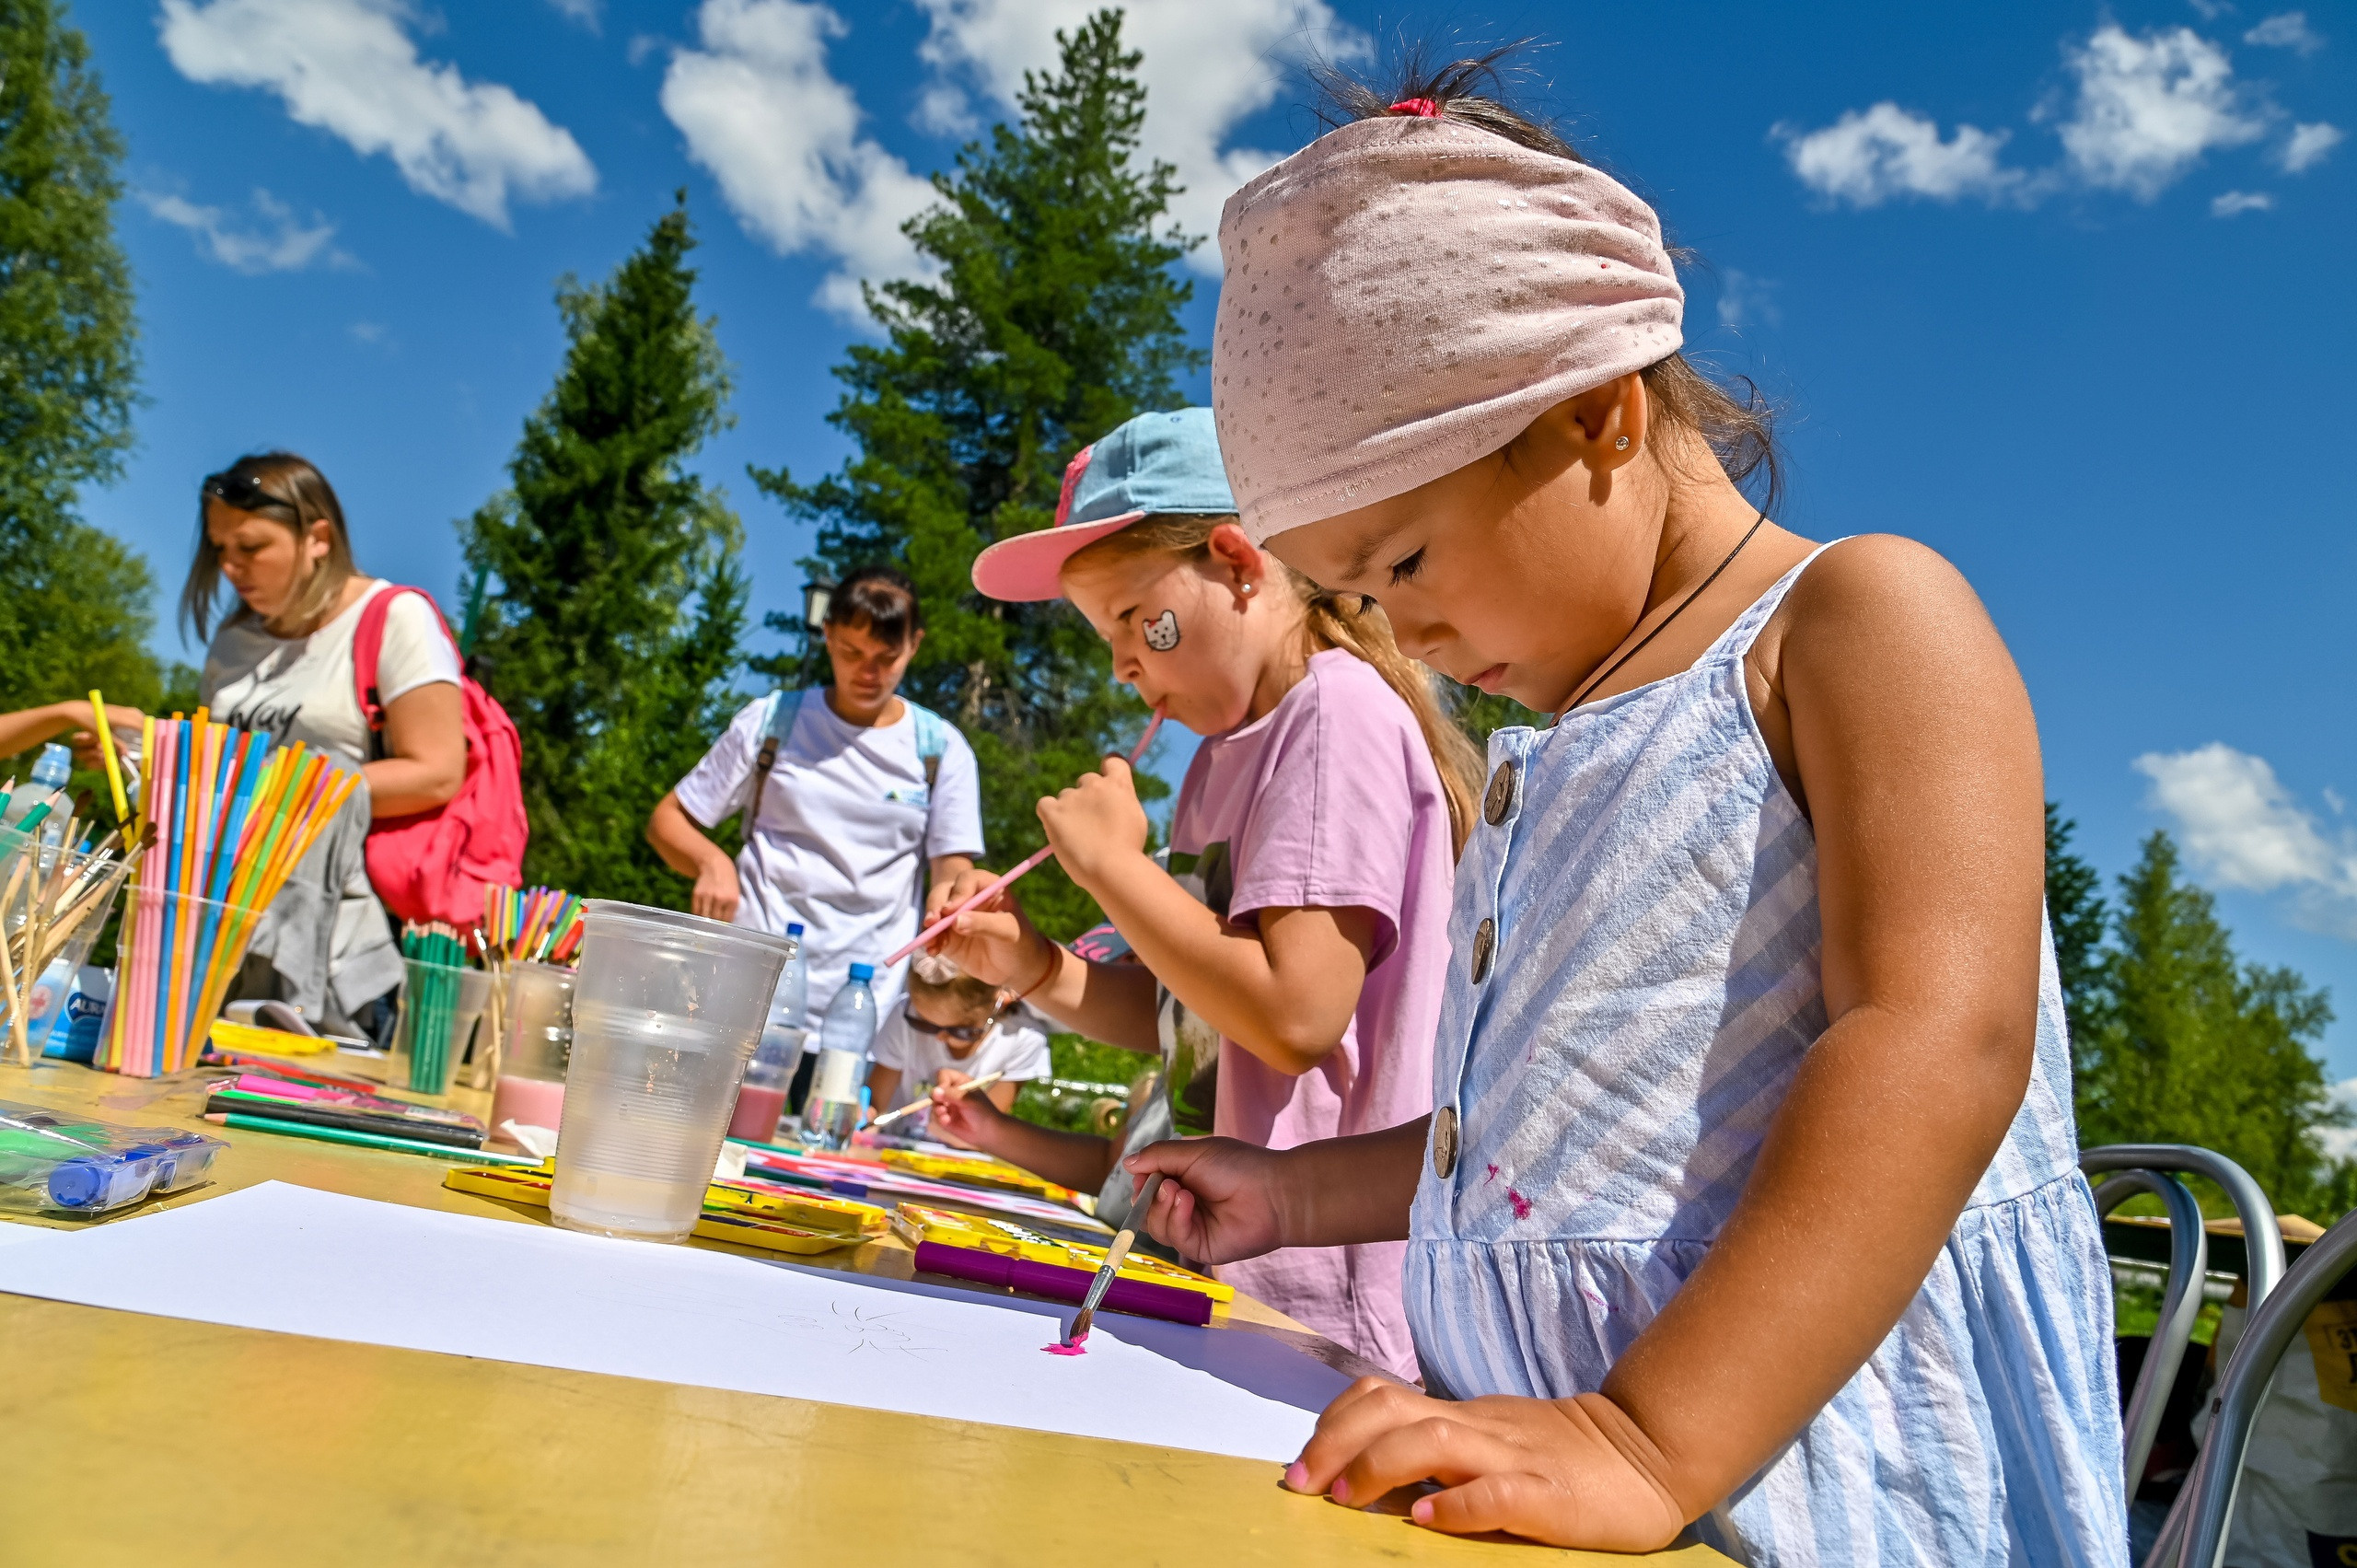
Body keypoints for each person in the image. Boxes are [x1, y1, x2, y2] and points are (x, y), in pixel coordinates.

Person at [1109, 58, 2128, 1564]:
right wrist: (1291, 1190)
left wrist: (1644, 1430)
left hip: (1799, 1469)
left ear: (1592, 415)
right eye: (1349, 594)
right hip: (1563, 1467)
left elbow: (1937, 1039)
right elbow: (1534, 1138)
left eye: (1401, 564)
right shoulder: (1564, 746)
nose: (1403, 630)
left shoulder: (1851, 621)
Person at [923, 406, 1480, 1382]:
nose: (1122, 662)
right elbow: (1194, 1019)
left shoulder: (1335, 715)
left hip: (1324, 1292)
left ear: (1236, 560)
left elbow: (1294, 1013)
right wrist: (1034, 965)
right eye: (1102, 636)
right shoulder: (1215, 765)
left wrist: (1116, 870)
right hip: (1225, 1263)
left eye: (1138, 619)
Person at [187, 453, 468, 1035]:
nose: (232, 568)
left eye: (250, 546)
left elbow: (439, 771)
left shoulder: (395, 616)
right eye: (220, 550)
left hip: (340, 943)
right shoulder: (232, 640)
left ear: (317, 536)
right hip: (219, 926)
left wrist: (279, 788)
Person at [649, 565, 983, 1034]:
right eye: (852, 652)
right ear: (827, 635)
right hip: (745, 991)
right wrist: (710, 862)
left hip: (866, 1007)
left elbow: (953, 872)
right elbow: (668, 820)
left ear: (915, 645)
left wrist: (950, 915)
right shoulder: (771, 722)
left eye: (886, 657)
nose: (868, 672)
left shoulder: (941, 749)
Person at [864, 952, 1051, 1138]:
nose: (940, 1038)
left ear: (1000, 1003)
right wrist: (864, 1116)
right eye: (923, 1023)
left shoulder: (1023, 1039)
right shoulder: (903, 1017)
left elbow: (989, 1134)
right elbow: (875, 1108)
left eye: (960, 1031)